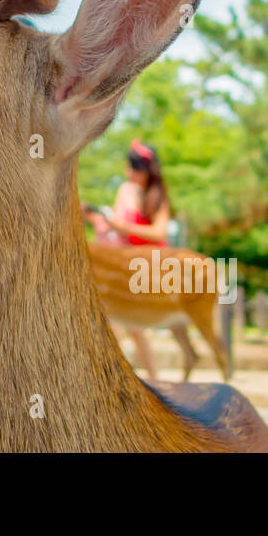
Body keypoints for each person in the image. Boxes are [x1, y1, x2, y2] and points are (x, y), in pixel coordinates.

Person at [102, 139, 171, 379]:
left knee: (129, 326)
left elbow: (159, 233)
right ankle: (142, 378)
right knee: (125, 325)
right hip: (123, 265)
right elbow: (114, 227)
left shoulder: (157, 196)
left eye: (134, 169)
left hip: (146, 267)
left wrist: (125, 227)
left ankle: (142, 378)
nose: (129, 173)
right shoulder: (125, 190)